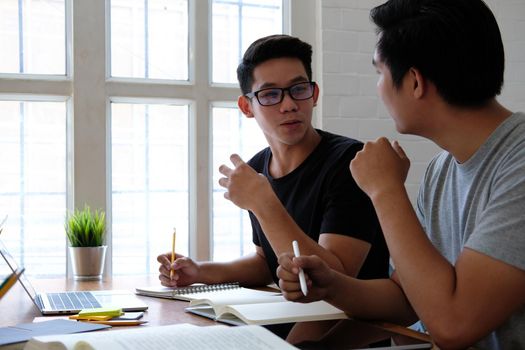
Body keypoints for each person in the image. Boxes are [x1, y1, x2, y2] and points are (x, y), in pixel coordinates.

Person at [277, 0, 525, 348]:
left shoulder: (520, 161)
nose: (378, 86)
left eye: (379, 72)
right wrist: (331, 284)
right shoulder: (441, 169)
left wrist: (385, 190)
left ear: (414, 81)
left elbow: (454, 325)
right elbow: (408, 298)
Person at [157, 34, 389, 340]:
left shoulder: (350, 163)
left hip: (350, 328)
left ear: (314, 93)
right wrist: (200, 271)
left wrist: (263, 202)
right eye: (269, 95)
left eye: (298, 89)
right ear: (246, 106)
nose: (289, 104)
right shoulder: (256, 169)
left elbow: (334, 277)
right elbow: (264, 262)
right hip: (293, 315)